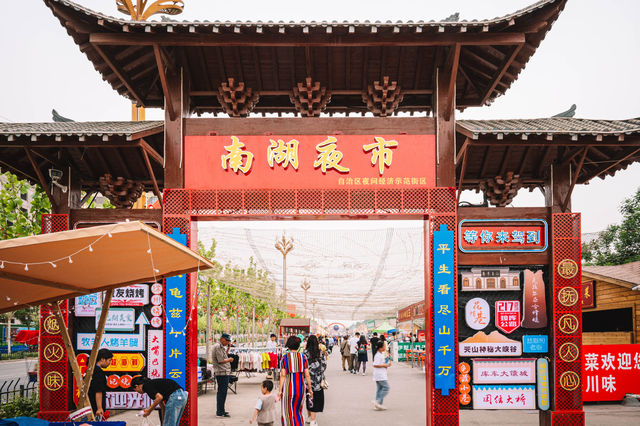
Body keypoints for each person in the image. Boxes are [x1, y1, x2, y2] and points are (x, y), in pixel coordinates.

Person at [277, 336, 312, 426]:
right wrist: (310, 389)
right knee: (298, 411)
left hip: (288, 389)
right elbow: (307, 375)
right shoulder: (303, 357)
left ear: (288, 346)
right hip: (300, 388)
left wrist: (280, 391)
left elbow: (283, 375)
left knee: (287, 413)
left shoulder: (285, 358)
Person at [304, 335, 327, 426]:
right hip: (317, 380)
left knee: (309, 398)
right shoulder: (320, 352)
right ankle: (313, 421)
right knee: (316, 399)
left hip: (307, 380)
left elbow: (303, 367)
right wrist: (318, 373)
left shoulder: (305, 353)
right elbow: (324, 366)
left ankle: (310, 418)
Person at [212, 333, 234, 418]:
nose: (227, 342)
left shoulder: (221, 347)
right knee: (222, 392)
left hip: (224, 372)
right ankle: (220, 411)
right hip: (221, 372)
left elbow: (224, 355)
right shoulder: (217, 347)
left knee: (222, 392)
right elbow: (221, 360)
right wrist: (230, 359)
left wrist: (228, 347)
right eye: (226, 340)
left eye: (228, 341)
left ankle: (221, 410)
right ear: (222, 339)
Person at [88, 348, 113, 419]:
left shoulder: (90, 369)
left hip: (89, 406)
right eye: (109, 360)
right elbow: (98, 391)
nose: (109, 363)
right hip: (95, 408)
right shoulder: (98, 372)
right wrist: (99, 408)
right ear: (102, 359)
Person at [372, 341, 391, 411]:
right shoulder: (377, 355)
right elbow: (375, 364)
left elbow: (381, 363)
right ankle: (378, 401)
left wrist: (386, 365)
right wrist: (385, 365)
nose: (385, 347)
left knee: (379, 389)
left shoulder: (381, 353)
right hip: (380, 375)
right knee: (386, 387)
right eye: (384, 346)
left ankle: (378, 404)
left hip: (380, 374)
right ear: (380, 348)